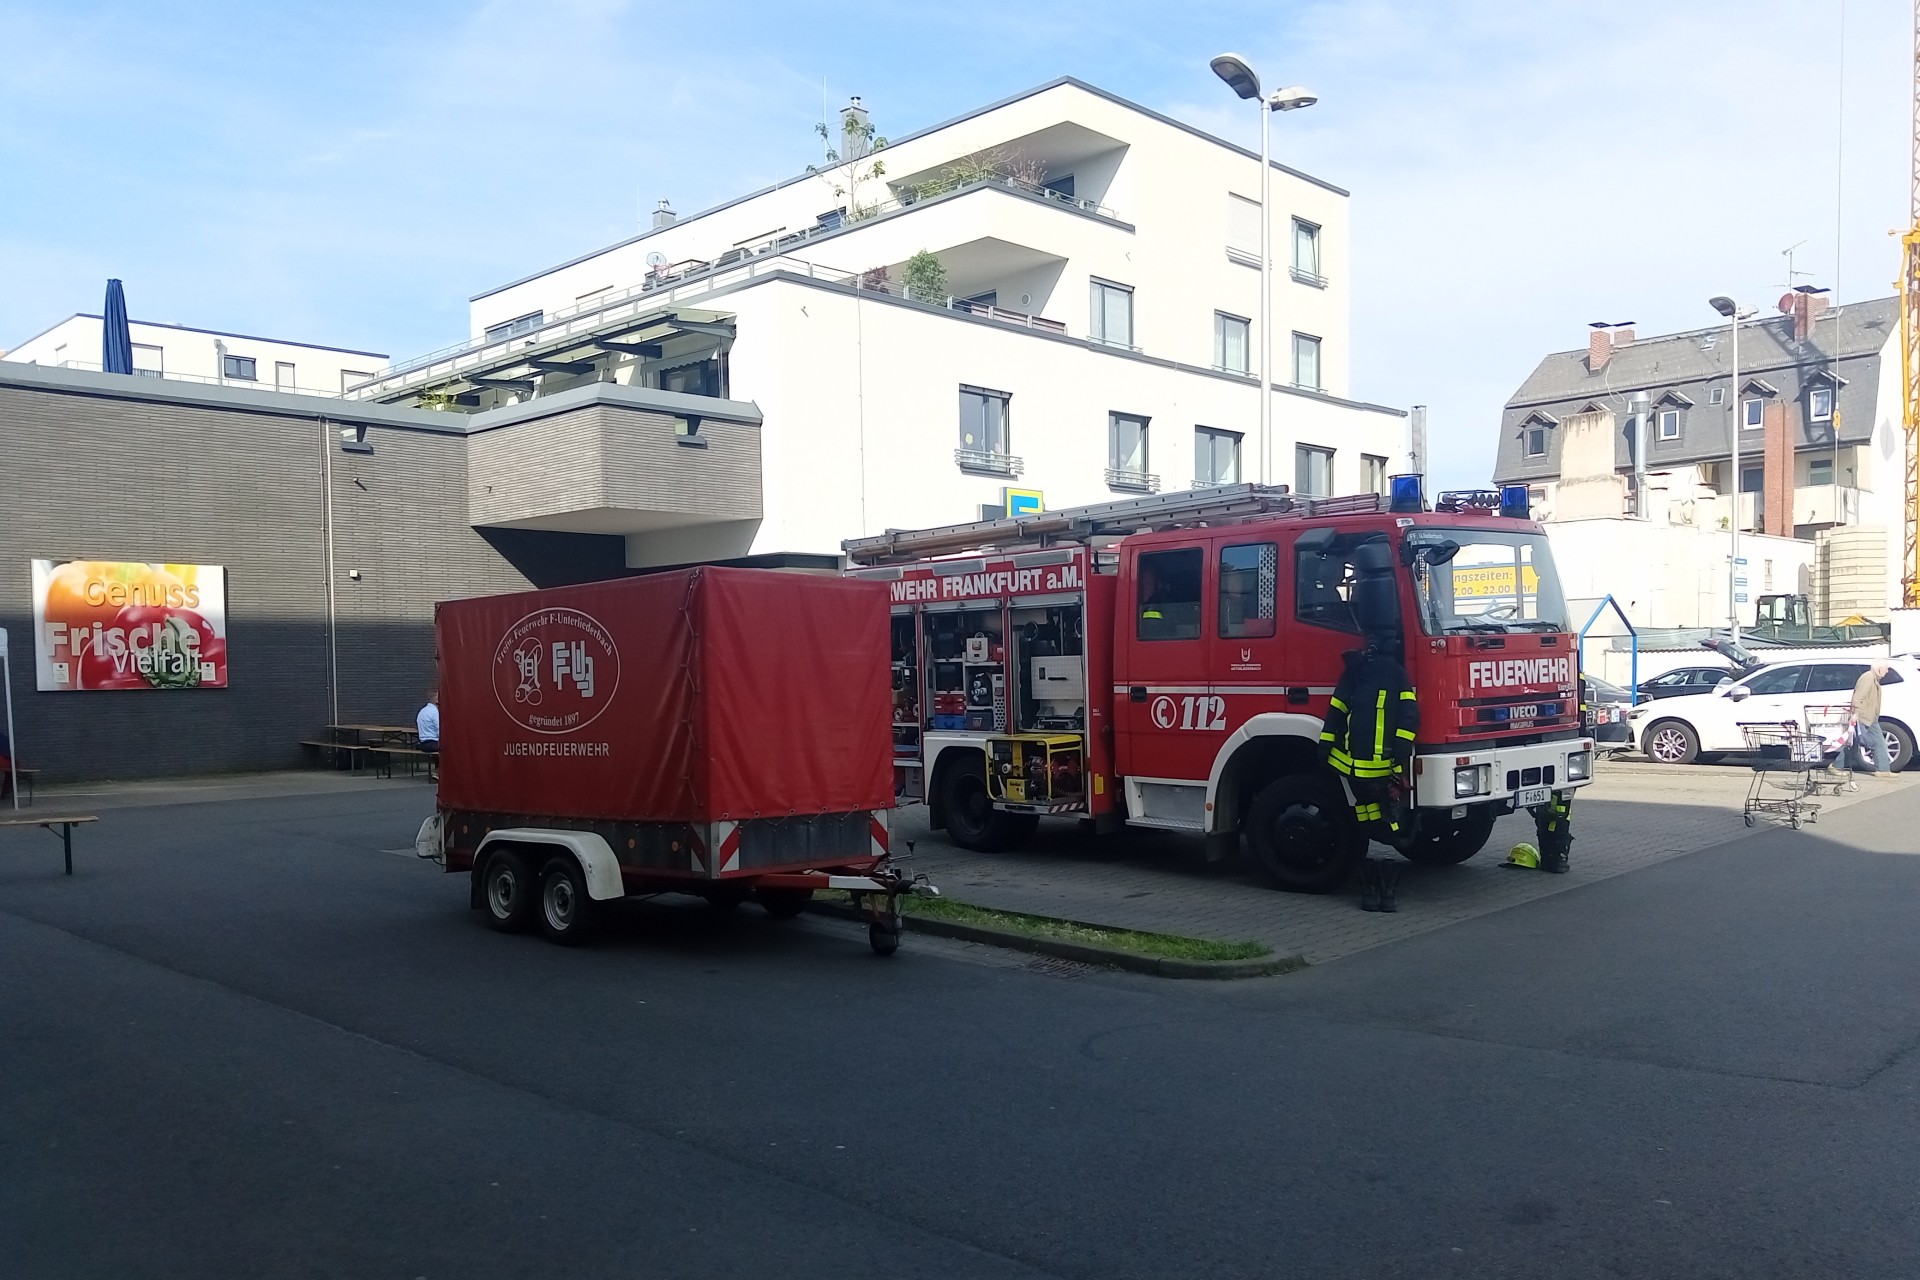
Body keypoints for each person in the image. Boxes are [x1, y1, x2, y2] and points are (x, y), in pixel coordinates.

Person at [1320, 644, 1419, 847]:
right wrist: (1399, 761)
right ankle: (1388, 832)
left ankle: (1376, 831)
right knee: (1376, 805)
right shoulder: (1396, 673)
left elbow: (1336, 710)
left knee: (1365, 803)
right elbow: (1409, 717)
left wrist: (1324, 746)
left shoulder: (1355, 669)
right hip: (1378, 764)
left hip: (1351, 762)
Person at [1850, 661, 1894, 778]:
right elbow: (1858, 697)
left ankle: (1837, 766)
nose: (1887, 671)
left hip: (1870, 716)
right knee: (1876, 741)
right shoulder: (1868, 678)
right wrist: (1856, 714)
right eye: (1885, 668)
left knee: (1858, 742)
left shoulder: (1873, 678)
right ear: (1878, 668)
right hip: (1865, 716)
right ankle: (1883, 770)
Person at [416, 691, 440, 778]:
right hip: (432, 743)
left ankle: (438, 772)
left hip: (422, 743)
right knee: (451, 748)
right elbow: (439, 729)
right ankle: (439, 772)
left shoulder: (422, 711)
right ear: (436, 700)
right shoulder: (434, 712)